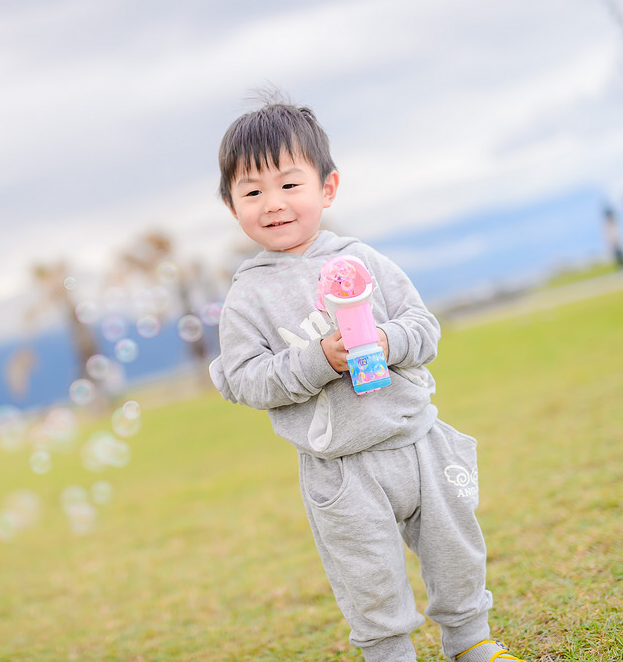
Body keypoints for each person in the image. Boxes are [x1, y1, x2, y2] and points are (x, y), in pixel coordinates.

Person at [208, 99, 528, 662]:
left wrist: (384, 342)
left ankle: (471, 641)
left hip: (418, 441)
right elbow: (244, 380)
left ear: (327, 188)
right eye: (252, 191)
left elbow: (423, 329)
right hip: (340, 467)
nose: (273, 204)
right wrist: (319, 361)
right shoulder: (247, 297)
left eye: (289, 184)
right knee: (368, 577)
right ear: (232, 205)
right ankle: (389, 654)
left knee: (456, 551)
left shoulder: (366, 261)